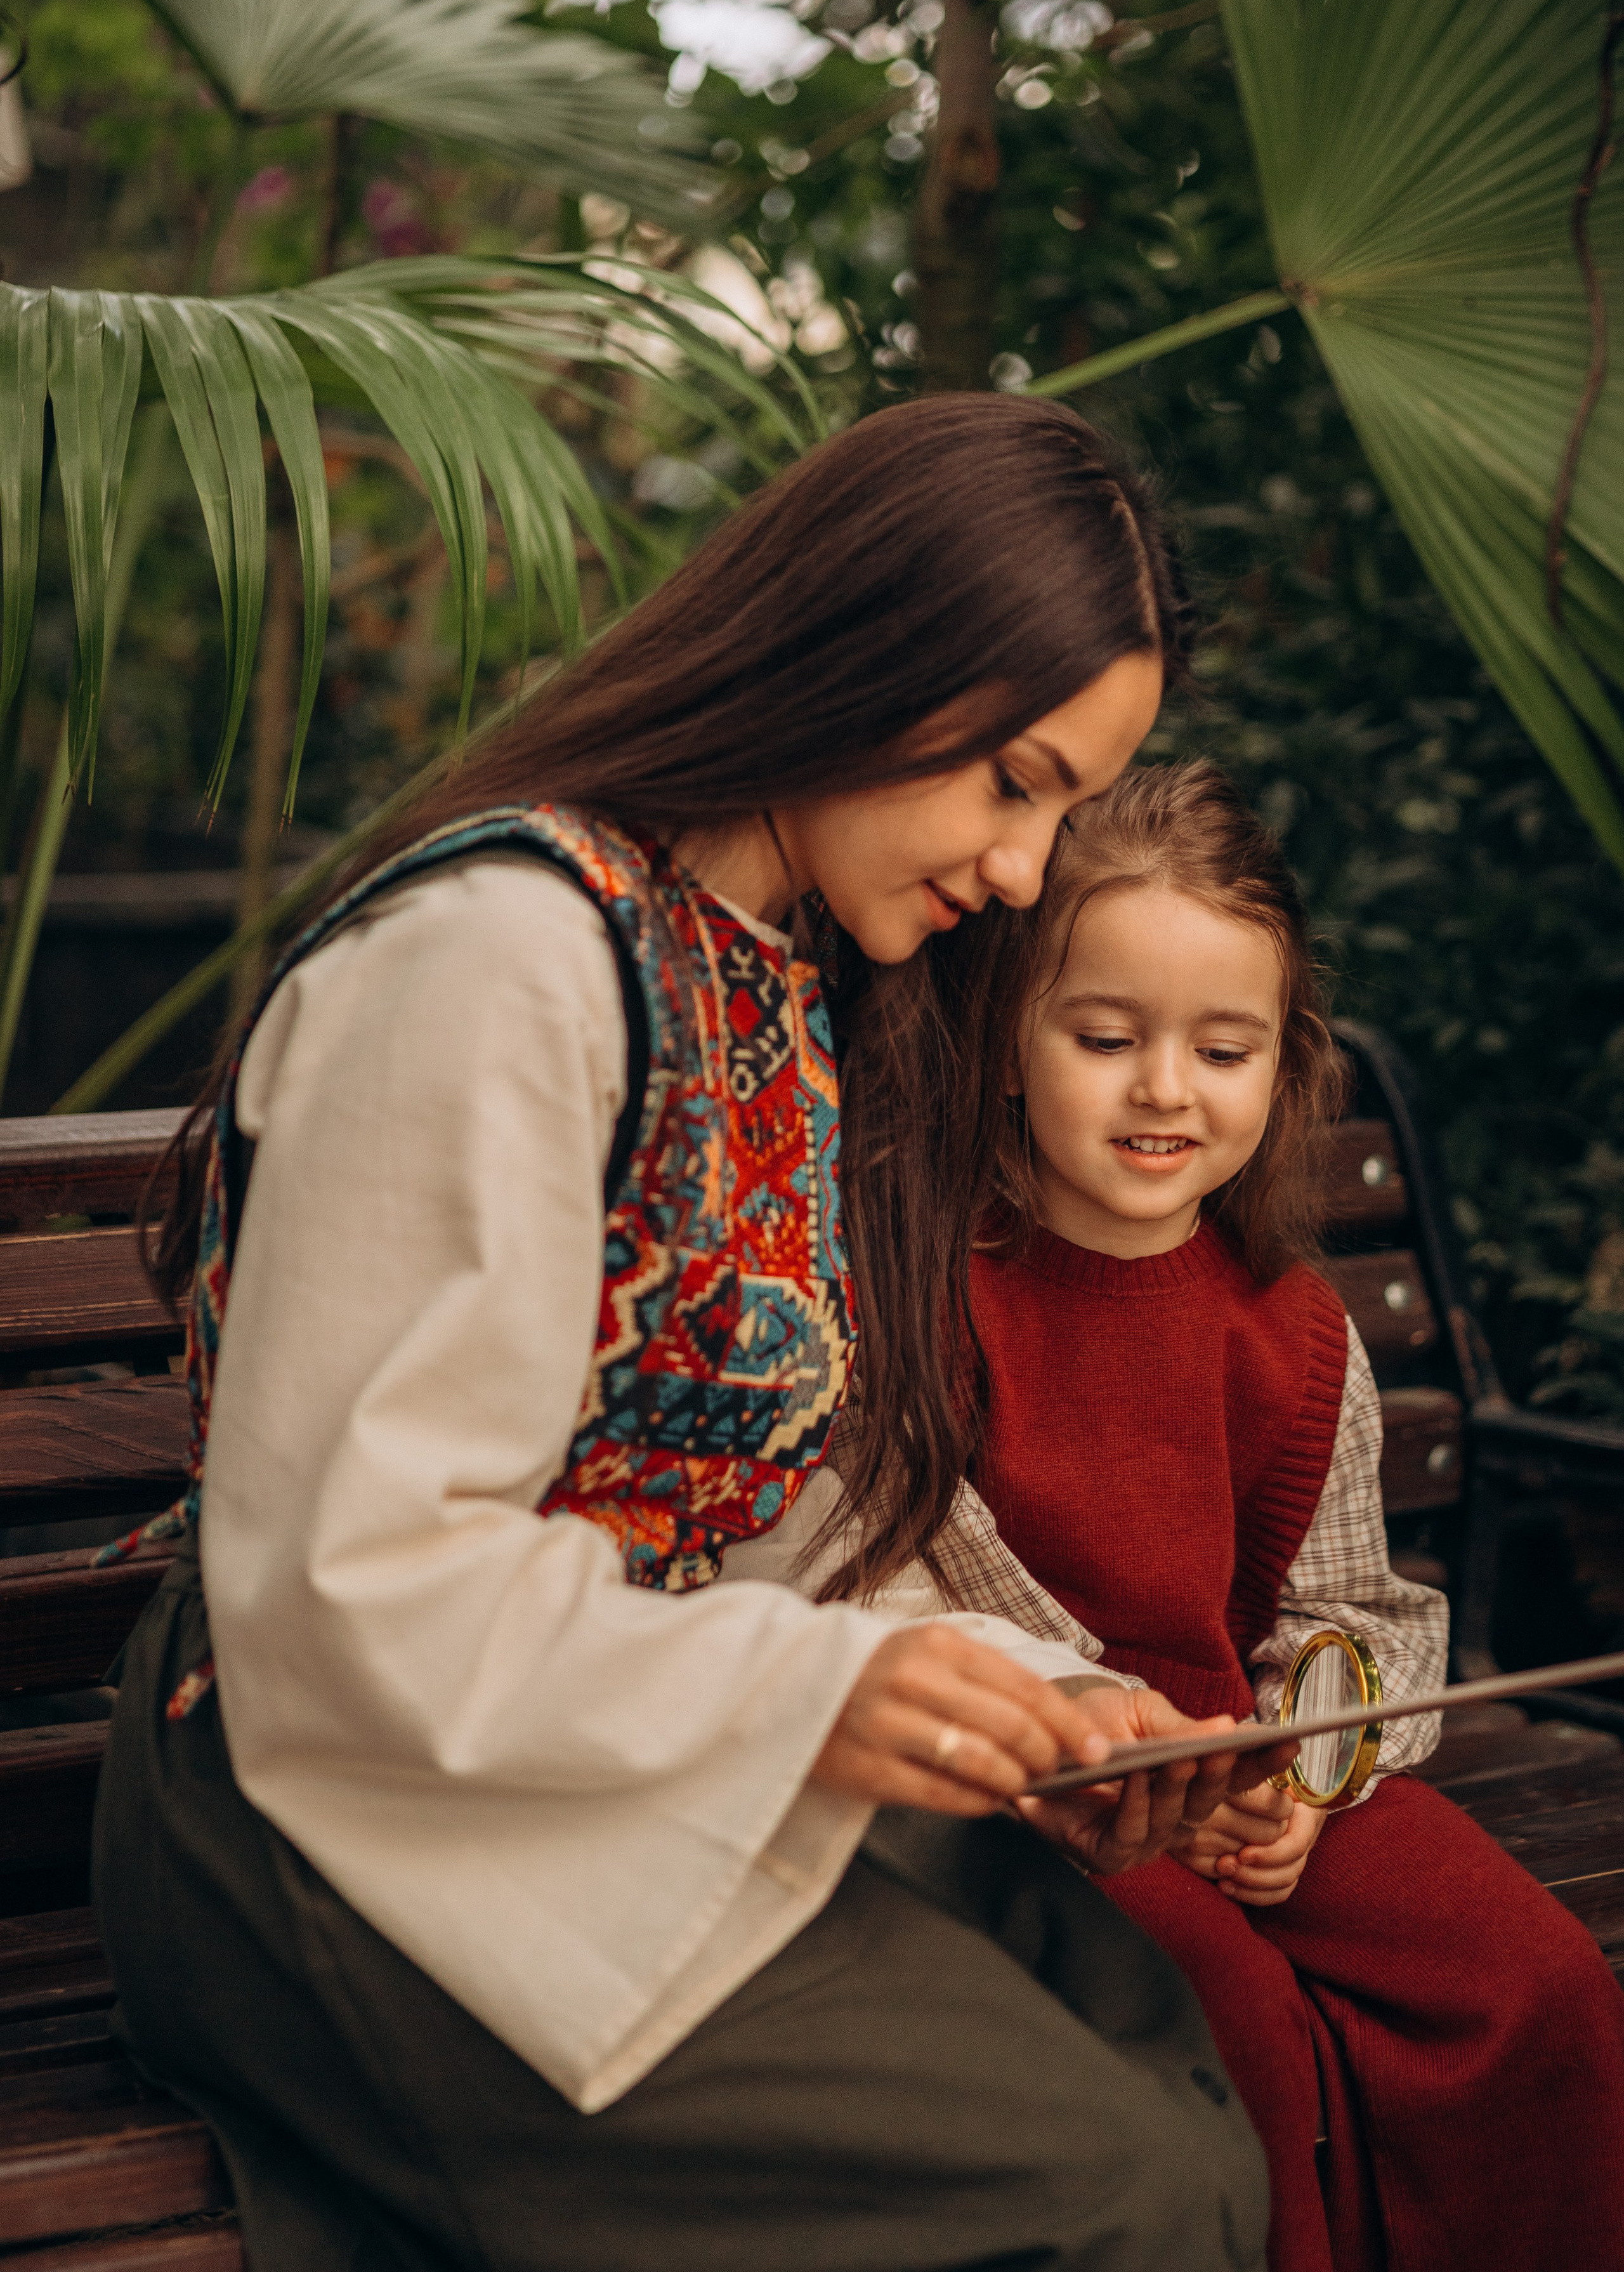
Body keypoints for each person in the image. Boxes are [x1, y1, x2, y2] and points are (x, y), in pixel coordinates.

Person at [94, 400, 1290, 2272]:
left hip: (580, 1736)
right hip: (321, 1804)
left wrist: (1030, 1705)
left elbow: (724, 1528)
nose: (1026, 869)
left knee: (1168, 2051)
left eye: (1061, 811)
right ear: (869, 656)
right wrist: (813, 1699)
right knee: (1104, 2190)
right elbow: (344, 1584)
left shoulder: (767, 981)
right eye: (1015, 782)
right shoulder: (497, 962)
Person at [960, 758, 1624, 2272]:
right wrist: (1131, 1762)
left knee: (1532, 1983)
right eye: (1103, 1038)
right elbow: (931, 1589)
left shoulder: (1292, 1329)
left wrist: (1307, 1776)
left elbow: (1355, 1612)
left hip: (1257, 1769)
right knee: (1237, 2036)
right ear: (1005, 1040)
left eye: (1222, 1048)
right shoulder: (942, 1299)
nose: (1163, 1089)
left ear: (1280, 1066)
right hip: (1048, 1793)